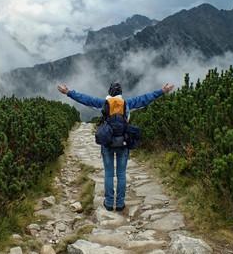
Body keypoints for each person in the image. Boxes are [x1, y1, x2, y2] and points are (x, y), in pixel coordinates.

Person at [57, 82, 174, 211]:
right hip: (123, 142)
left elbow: (85, 99)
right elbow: (145, 98)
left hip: (107, 142)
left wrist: (68, 92)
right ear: (121, 93)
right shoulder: (127, 104)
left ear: (109, 92)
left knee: (108, 174)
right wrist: (162, 91)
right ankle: (119, 204)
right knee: (121, 174)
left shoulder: (103, 104)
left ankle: (108, 203)